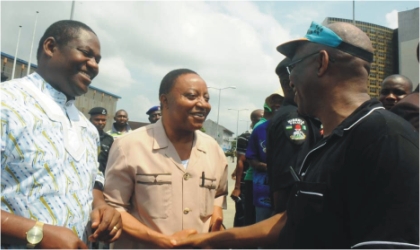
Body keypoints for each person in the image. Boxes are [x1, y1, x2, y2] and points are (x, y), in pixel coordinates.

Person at [173, 21, 419, 249]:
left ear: (321, 63)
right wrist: (209, 239)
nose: (290, 80)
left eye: (294, 67)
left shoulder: (386, 139)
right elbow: (292, 221)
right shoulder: (330, 142)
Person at [1, 20, 121, 249]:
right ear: (50, 47)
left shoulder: (87, 129)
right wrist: (38, 234)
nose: (94, 65)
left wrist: (101, 206)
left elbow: (92, 183)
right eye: (87, 53)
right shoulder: (6, 103)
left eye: (98, 60)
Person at [103, 68, 228, 248]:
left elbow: (219, 193)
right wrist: (163, 241)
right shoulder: (129, 146)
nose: (203, 104)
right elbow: (113, 208)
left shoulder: (213, 149)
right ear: (165, 100)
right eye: (192, 96)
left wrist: (216, 214)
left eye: (206, 98)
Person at [267, 58, 322, 213]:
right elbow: (288, 180)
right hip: (294, 216)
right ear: (290, 83)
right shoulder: (293, 118)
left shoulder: (303, 114)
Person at [230, 109, 263, 227]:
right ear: (253, 120)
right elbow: (240, 161)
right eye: (261, 119)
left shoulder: (265, 133)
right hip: (245, 183)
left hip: (260, 182)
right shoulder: (245, 136)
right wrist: (237, 187)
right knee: (242, 215)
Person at [89, 107, 114, 175]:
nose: (100, 122)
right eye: (97, 120)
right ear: (90, 120)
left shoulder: (109, 139)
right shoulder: (84, 136)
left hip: (102, 178)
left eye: (103, 120)